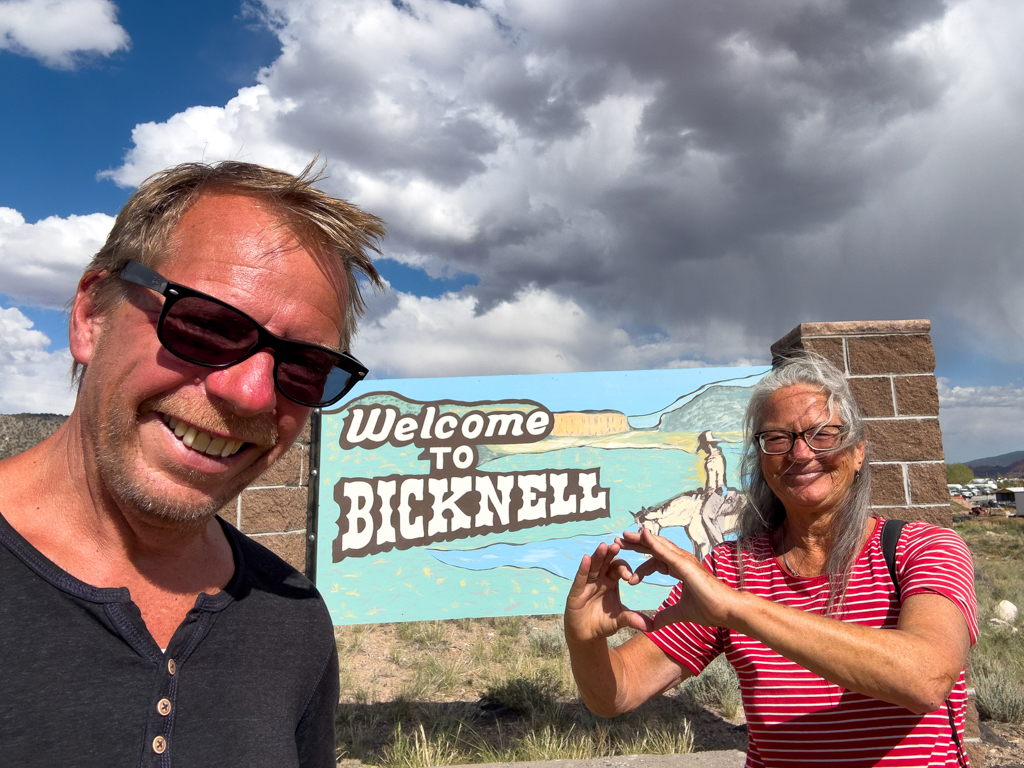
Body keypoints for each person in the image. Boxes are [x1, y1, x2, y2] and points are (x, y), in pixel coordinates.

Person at [0, 161, 385, 767]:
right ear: (90, 317)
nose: (253, 394)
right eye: (206, 326)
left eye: (305, 367)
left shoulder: (290, 621)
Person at [565, 354, 978, 767]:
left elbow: (925, 678)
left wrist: (736, 609)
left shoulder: (924, 548)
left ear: (857, 452)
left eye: (823, 434)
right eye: (777, 439)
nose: (800, 453)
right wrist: (585, 641)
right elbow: (616, 693)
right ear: (762, 460)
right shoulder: (730, 569)